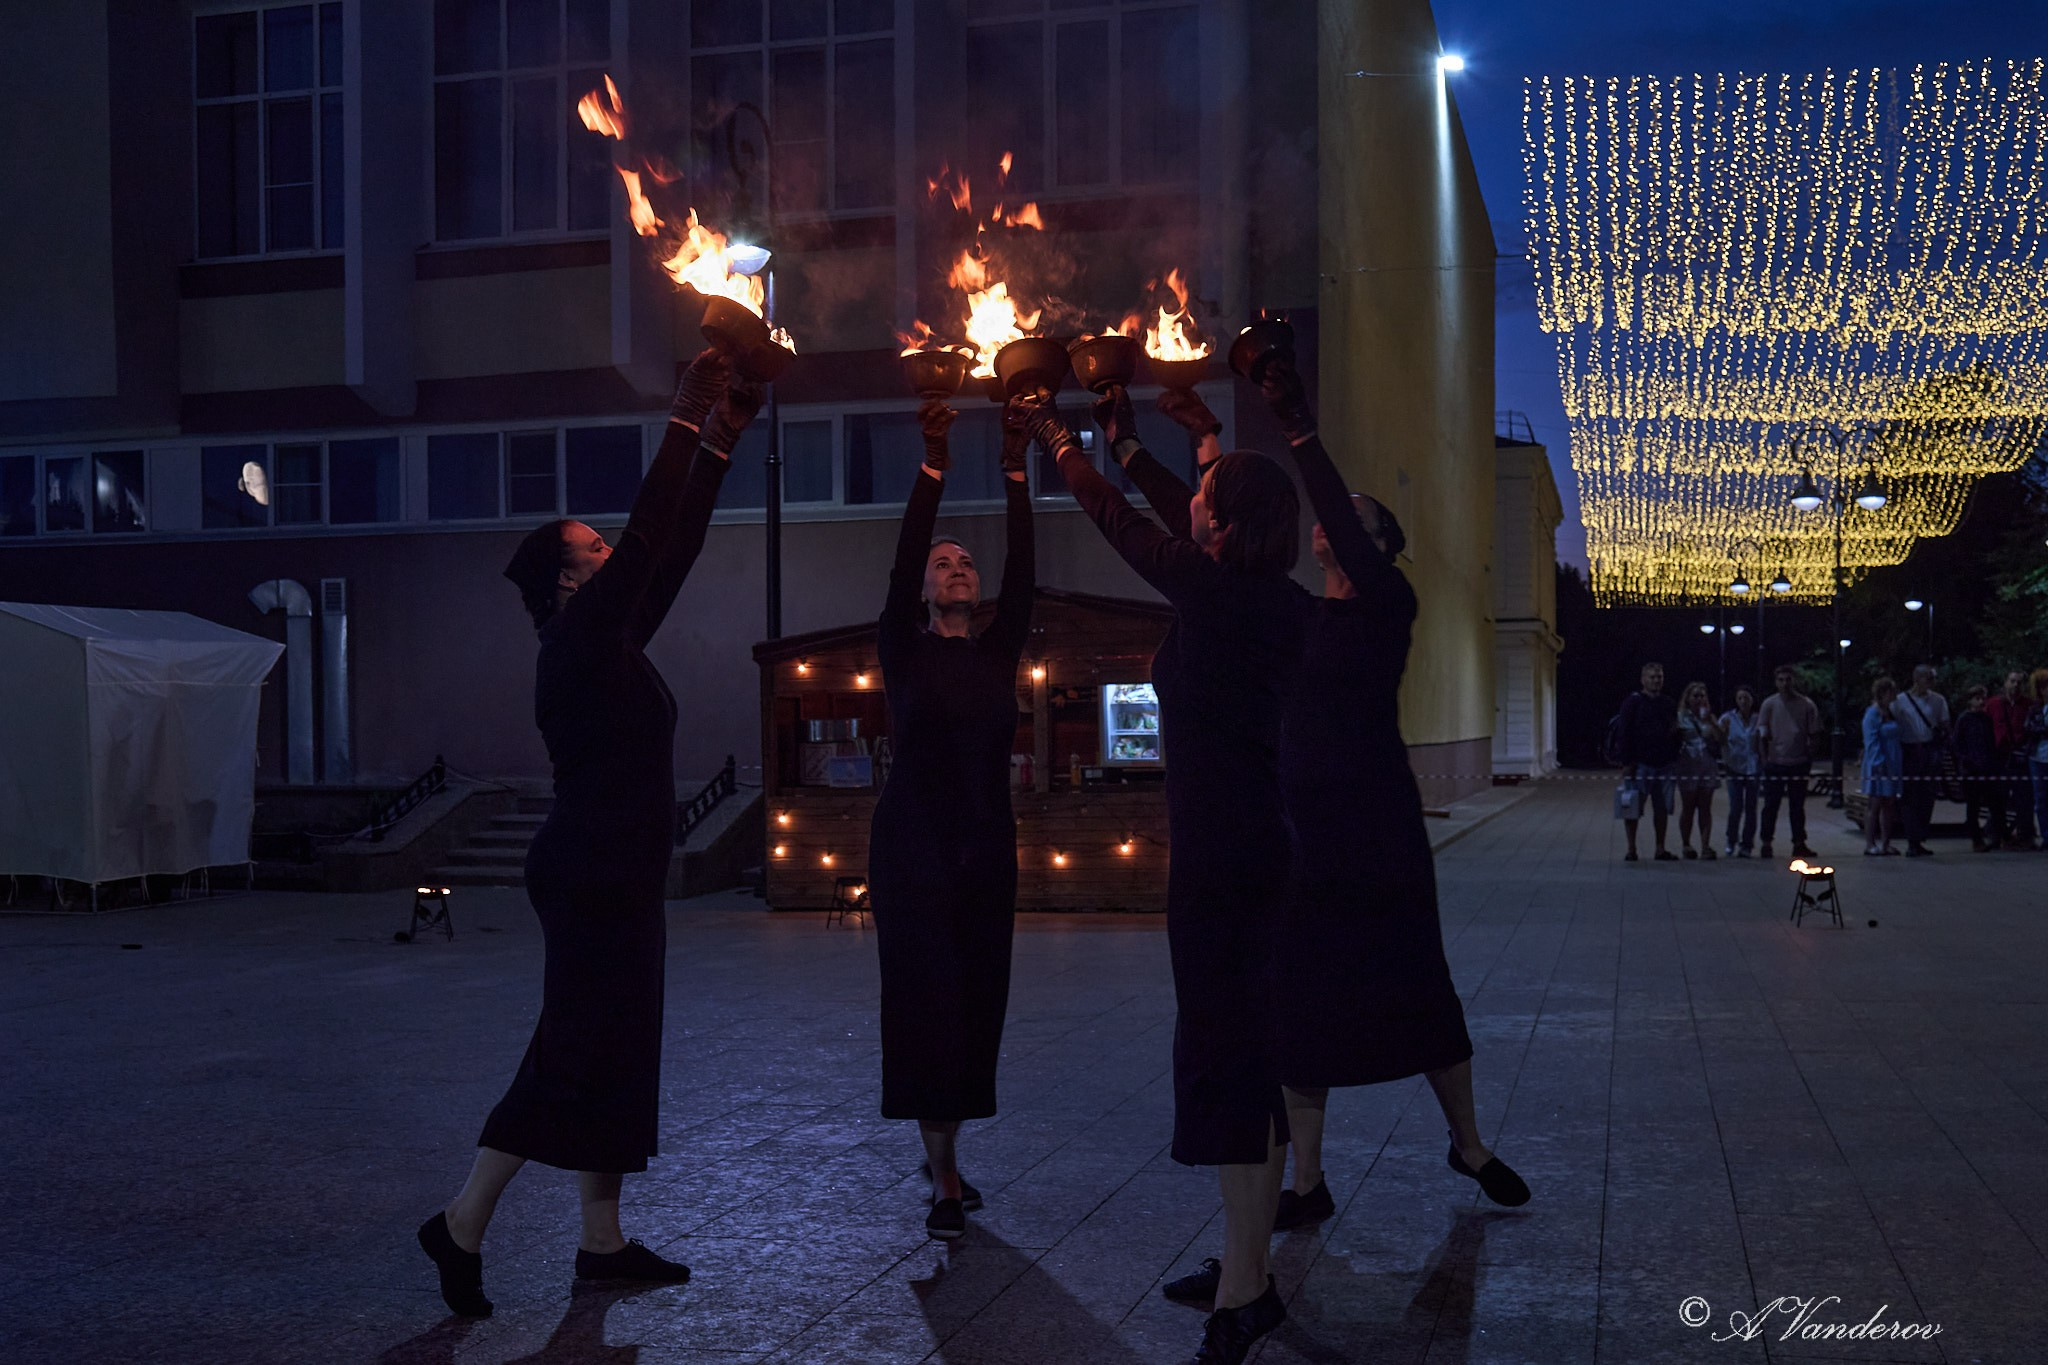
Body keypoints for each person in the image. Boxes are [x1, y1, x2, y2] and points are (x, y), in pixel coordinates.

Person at [1116, 379, 1528, 1272]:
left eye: (1352, 520)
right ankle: (1306, 1178)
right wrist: (1201, 457)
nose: (1331, 525)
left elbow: (1301, 524)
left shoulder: (1385, 608)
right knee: (1292, 1008)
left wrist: (1301, 430)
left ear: (1375, 546)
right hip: (1299, 829)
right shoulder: (1291, 609)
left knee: (1419, 988)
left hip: (1375, 831)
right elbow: (1207, 545)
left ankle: (1467, 1140)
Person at [417, 351, 757, 1319]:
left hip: (614, 870)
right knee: (573, 1048)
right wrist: (685, 414)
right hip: (588, 871)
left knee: (610, 1045)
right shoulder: (573, 642)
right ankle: (462, 1220)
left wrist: (722, 442)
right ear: (569, 583)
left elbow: (673, 548)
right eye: (595, 551)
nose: (614, 555)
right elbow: (652, 534)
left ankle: (600, 1242)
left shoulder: (605, 641)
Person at [1023, 379, 1315, 1365]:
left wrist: (1059, 439)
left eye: (1204, 501)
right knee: (1250, 1065)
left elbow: (1119, 520)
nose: (1189, 506)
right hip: (1249, 849)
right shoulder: (1267, 602)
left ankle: (1243, 1291)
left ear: (1225, 527)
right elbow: (1155, 509)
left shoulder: (1225, 600)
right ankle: (1249, 1268)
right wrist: (1121, 434)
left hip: (1226, 862)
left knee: (1226, 1065)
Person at [867, 394, 1034, 1241]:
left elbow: (1027, 571)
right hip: (913, 851)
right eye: (945, 564)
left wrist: (1014, 471)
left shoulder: (1000, 652)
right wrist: (933, 467)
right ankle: (942, 1177)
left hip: (986, 849)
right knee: (928, 1003)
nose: (957, 568)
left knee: (976, 1003)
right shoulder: (903, 646)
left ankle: (949, 1153)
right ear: (927, 591)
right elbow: (899, 564)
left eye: (966, 561)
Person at [1615, 663, 1680, 861]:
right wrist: (1627, 762)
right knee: (1633, 807)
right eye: (1652, 677)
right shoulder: (1632, 703)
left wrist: (1674, 753)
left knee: (1661, 810)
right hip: (1640, 765)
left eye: (1659, 676)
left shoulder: (1668, 703)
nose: (1656, 680)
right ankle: (1631, 848)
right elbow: (1624, 733)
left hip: (1665, 765)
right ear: (1643, 679)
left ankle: (1660, 848)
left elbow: (1674, 731)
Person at [1757, 665, 1822, 860]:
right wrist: (1765, 759)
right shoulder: (1769, 704)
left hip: (1798, 761)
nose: (1785, 684)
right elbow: (1762, 733)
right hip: (1776, 762)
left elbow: (1815, 733)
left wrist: (1809, 756)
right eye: (1781, 680)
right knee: (1771, 805)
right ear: (1776, 682)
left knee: (1797, 806)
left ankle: (1799, 842)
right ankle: (1766, 842)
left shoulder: (1806, 705)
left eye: (1788, 679)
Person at [1890, 664, 1951, 857]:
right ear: (1917, 679)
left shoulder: (1938, 700)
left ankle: (1920, 837)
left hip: (1929, 749)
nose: (1931, 682)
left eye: (1933, 678)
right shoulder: (1899, 701)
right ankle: (1912, 839)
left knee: (1927, 796)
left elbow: (1945, 723)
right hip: (1909, 750)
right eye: (1928, 678)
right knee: (1910, 797)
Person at [1672, 681, 1725, 859]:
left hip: (1707, 765)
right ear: (1687, 698)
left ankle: (1705, 845)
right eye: (1695, 695)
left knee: (1705, 807)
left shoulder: (1709, 716)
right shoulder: (1681, 717)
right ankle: (1686, 844)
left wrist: (1711, 720)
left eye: (1702, 695)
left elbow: (1720, 739)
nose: (1699, 699)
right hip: (1688, 766)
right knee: (1688, 807)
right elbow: (1674, 737)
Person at [1988, 669, 2038, 848]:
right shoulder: (1993, 704)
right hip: (2000, 756)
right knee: (1998, 797)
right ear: (2005, 683)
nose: (2016, 685)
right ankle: (1999, 835)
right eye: (2012, 681)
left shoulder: (2029, 705)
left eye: (2019, 682)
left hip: (2020, 757)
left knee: (2024, 797)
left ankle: (2026, 835)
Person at [1953, 685, 2006, 852]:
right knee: (1973, 805)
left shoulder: (1986, 719)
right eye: (1978, 698)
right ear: (1970, 700)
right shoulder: (1964, 719)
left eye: (1983, 698)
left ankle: (1997, 836)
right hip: (1971, 770)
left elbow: (1991, 742)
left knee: (1995, 803)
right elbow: (1957, 744)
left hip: (1988, 768)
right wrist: (1965, 761)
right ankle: (1976, 839)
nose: (1982, 701)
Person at [1862, 676, 1905, 856]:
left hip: (1893, 760)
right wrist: (1878, 762)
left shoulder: (1890, 712)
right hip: (1878, 763)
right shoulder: (1873, 714)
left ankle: (1886, 842)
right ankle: (1870, 843)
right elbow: (1871, 740)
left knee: (1889, 804)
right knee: (1875, 804)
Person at [1719, 684, 1763, 857]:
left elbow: (1761, 742)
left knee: (1751, 808)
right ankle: (1731, 839)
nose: (1743, 701)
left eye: (1747, 698)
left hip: (1753, 768)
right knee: (1736, 807)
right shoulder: (1727, 718)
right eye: (1740, 698)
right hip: (1734, 767)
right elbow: (1721, 740)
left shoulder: (1758, 719)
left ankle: (1747, 844)